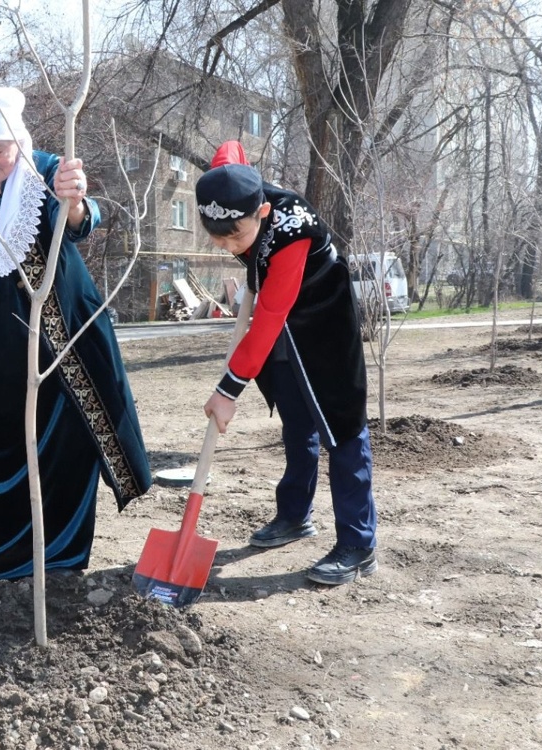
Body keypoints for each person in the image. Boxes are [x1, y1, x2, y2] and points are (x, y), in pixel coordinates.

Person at [0, 86, 151, 581]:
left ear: (17, 142)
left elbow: (84, 223)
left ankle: (56, 559)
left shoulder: (45, 172)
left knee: (63, 450)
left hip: (61, 347)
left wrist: (76, 199)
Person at [196, 141, 378, 586]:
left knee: (341, 427)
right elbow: (229, 153)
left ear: (260, 214)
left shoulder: (292, 235)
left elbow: (270, 316)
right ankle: (294, 516)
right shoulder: (231, 193)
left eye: (234, 237)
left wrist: (227, 391)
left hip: (321, 318)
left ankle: (358, 544)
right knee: (297, 422)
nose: (227, 246)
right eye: (218, 238)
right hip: (283, 329)